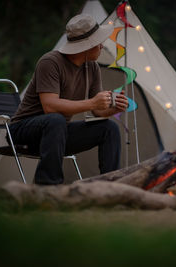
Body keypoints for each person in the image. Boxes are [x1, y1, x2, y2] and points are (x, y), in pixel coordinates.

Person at [9, 14, 128, 185]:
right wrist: (92, 102)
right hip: (23, 130)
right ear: (87, 46)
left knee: (109, 128)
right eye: (98, 42)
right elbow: (50, 106)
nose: (102, 46)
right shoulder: (50, 62)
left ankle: (109, 186)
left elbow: (97, 111)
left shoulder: (92, 67)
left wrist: (114, 108)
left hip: (57, 133)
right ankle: (48, 189)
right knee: (55, 120)